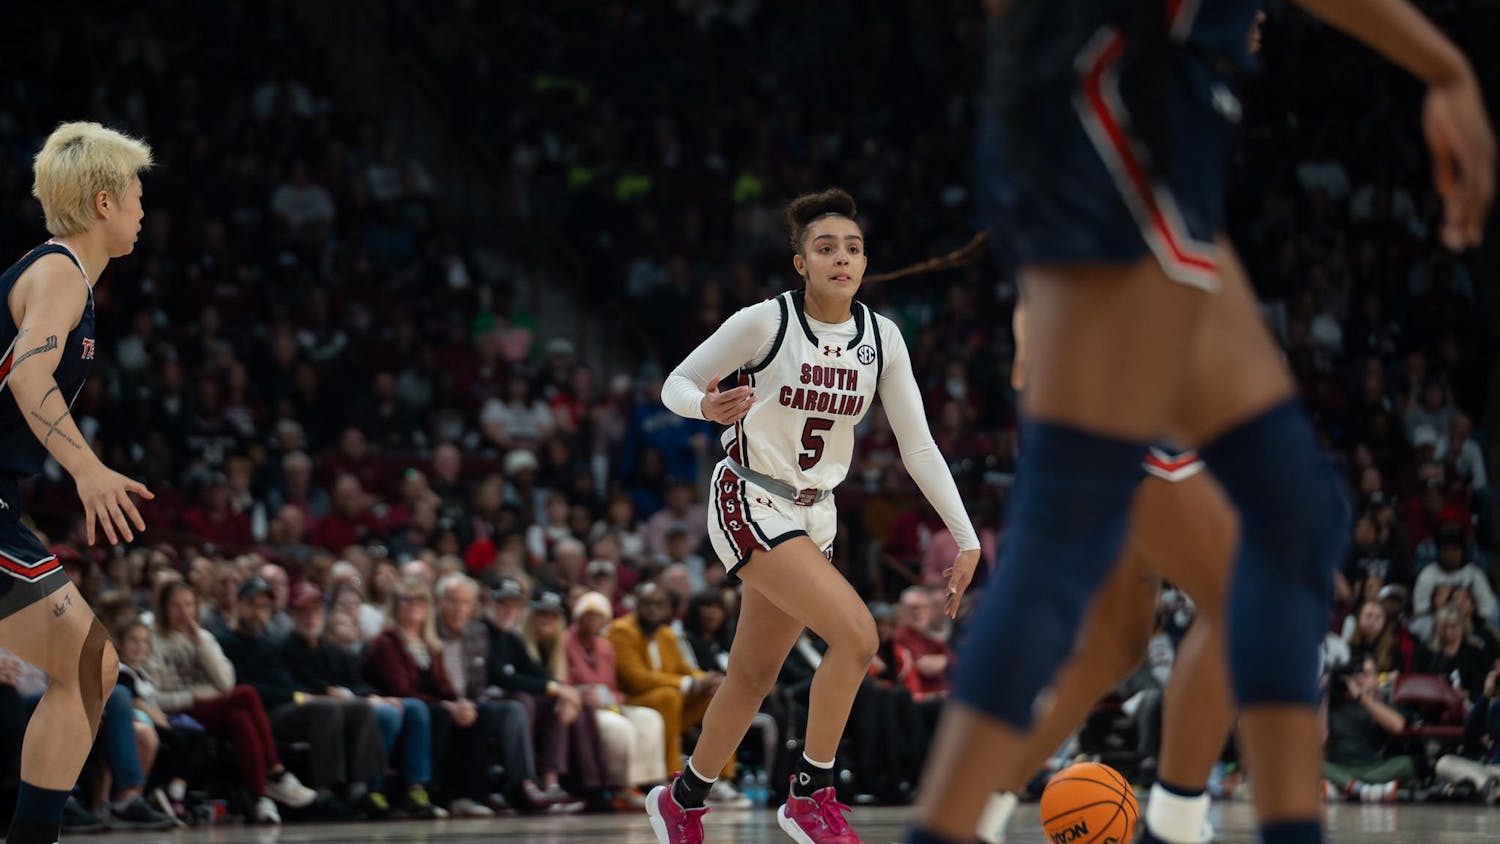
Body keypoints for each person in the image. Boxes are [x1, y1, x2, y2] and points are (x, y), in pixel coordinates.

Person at [910, 1, 1494, 843]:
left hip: (1127, 129)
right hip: (1112, 124)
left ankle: (1167, 823)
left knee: (1275, 532)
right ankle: (1118, 821)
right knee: (1086, 550)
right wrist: (1446, 66)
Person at [647, 188, 981, 844]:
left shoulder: (881, 338)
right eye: (825, 248)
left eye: (853, 248)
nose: (842, 258)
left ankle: (682, 799)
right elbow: (675, 384)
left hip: (815, 514)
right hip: (749, 494)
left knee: (751, 677)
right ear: (801, 263)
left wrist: (965, 538)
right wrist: (703, 409)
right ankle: (810, 793)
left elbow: (918, 446)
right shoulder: (763, 323)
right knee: (858, 635)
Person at [0, 122, 163, 844]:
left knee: (89, 670)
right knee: (91, 667)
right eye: (135, 192)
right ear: (103, 201)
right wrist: (89, 470)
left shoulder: (55, 275)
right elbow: (28, 372)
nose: (141, 207)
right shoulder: (60, 270)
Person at [147, 582, 316, 823]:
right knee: (246, 693)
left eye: (189, 604)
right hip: (174, 710)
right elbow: (152, 695)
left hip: (206, 709)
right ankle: (276, 772)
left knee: (241, 719)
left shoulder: (203, 637)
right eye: (176, 605)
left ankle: (261, 798)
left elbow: (226, 683)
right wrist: (193, 695)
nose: (184, 612)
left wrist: (200, 644)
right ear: (163, 608)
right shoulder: (152, 639)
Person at [218, 578, 387, 818]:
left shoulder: (267, 643)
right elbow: (244, 688)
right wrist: (299, 696)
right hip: (264, 713)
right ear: (239, 606)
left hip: (288, 705)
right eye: (253, 606)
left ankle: (359, 789)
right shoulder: (226, 641)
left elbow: (288, 682)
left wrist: (302, 694)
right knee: (325, 708)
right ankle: (324, 793)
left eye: (265, 607)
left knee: (359, 707)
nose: (259, 613)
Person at [279, 581, 438, 818]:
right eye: (304, 611)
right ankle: (336, 791)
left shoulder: (331, 650)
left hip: (346, 705)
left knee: (401, 708)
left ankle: (374, 789)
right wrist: (328, 693)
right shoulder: (284, 648)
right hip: (304, 708)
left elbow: (359, 683)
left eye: (315, 611)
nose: (311, 617)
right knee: (354, 709)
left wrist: (369, 696)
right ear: (292, 615)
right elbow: (291, 687)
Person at [565, 590, 668, 805]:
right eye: (589, 616)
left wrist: (615, 700)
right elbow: (562, 679)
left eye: (599, 617)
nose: (594, 622)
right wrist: (582, 694)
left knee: (650, 718)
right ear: (579, 617)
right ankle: (621, 787)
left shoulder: (605, 646)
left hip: (609, 701)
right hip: (583, 706)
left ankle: (650, 784)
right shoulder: (566, 642)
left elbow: (612, 684)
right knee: (618, 728)